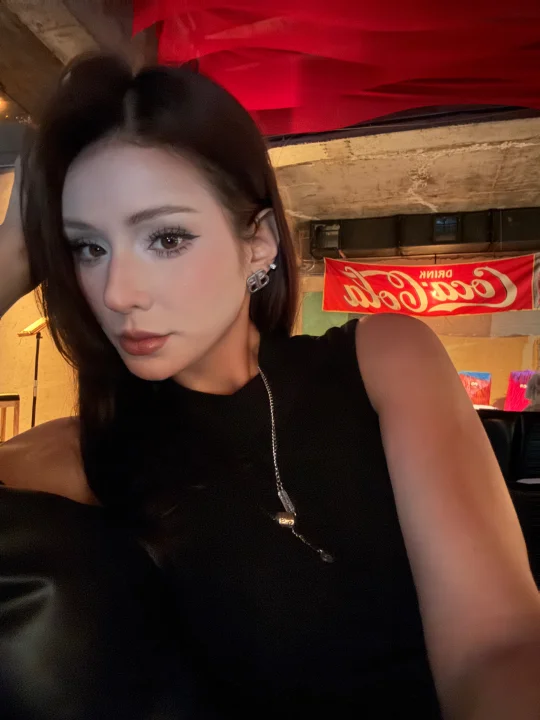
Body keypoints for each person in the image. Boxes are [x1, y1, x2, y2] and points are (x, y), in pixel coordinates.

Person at [0, 53, 539, 719]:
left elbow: (498, 648)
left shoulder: (382, 360)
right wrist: (11, 257)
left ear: (257, 244)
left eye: (166, 239)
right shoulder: (86, 455)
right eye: (89, 247)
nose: (117, 292)